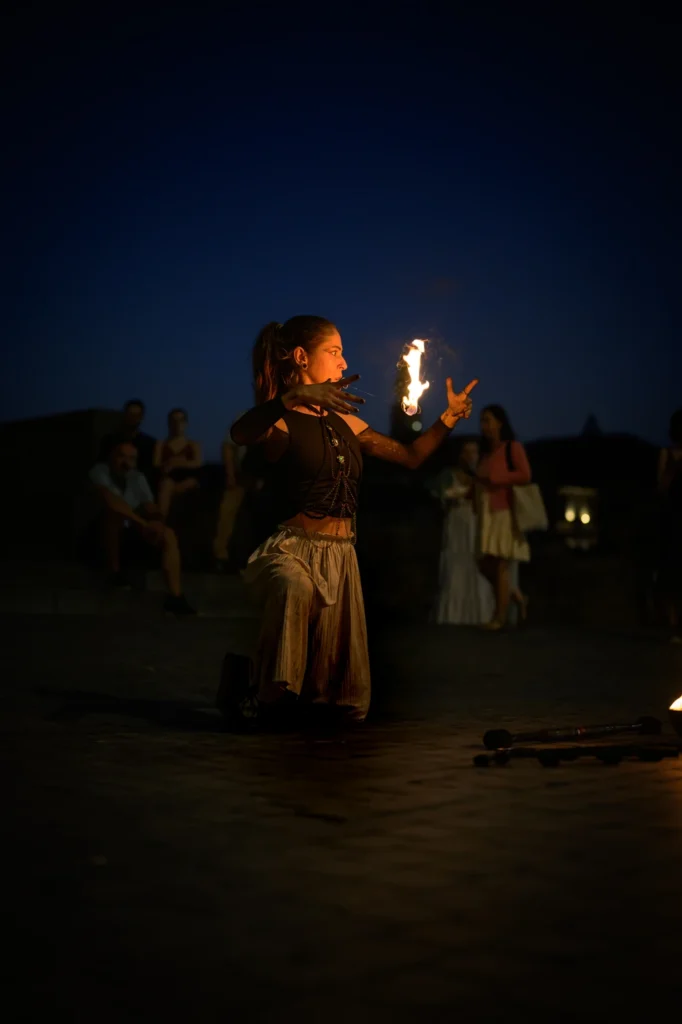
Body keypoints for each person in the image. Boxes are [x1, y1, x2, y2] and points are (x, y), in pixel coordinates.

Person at [225, 314, 477, 726]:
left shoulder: (348, 423)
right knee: (294, 586)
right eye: (334, 351)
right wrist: (293, 396)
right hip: (294, 550)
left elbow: (411, 456)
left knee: (339, 703)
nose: (343, 363)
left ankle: (266, 691)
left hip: (342, 557)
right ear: (302, 358)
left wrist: (448, 418)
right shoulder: (281, 422)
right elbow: (240, 433)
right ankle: (266, 695)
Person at [89, 440, 196, 615]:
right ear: (112, 457)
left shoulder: (136, 477)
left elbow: (148, 505)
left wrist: (157, 521)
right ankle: (114, 573)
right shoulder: (100, 471)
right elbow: (113, 503)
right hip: (99, 530)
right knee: (114, 516)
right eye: (122, 456)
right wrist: (143, 523)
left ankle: (176, 597)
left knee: (167, 533)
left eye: (131, 458)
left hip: (132, 527)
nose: (126, 462)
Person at [476, 405, 531, 630]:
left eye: (487, 420)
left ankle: (499, 617)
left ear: (499, 422)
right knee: (483, 562)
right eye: (482, 421)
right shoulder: (487, 452)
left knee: (500, 564)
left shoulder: (512, 448)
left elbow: (525, 474)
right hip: (487, 512)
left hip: (504, 511)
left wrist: (497, 477)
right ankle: (514, 595)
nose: (484, 425)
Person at [432, 439, 494, 625]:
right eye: (467, 452)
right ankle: (453, 615)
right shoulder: (448, 474)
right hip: (456, 524)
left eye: (474, 452)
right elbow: (440, 495)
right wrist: (460, 495)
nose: (471, 456)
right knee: (456, 565)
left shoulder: (482, 476)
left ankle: (479, 615)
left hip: (475, 524)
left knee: (475, 566)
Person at [657, 408, 682, 642]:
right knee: (673, 570)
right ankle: (674, 625)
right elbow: (662, 487)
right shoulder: (667, 454)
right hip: (674, 517)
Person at [99, 399, 156, 478]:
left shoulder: (149, 443)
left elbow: (149, 470)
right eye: (130, 414)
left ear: (141, 417)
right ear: (125, 415)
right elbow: (102, 463)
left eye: (136, 415)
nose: (133, 418)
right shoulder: (110, 440)